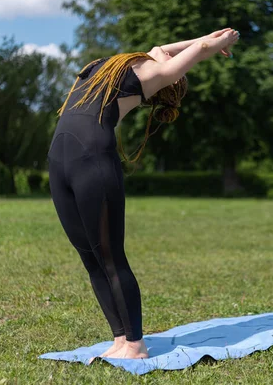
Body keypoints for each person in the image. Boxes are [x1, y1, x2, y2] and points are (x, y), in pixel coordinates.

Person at [47, 28, 240, 360]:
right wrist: (202, 39)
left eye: (172, 59)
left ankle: (136, 344)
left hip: (92, 157)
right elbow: (161, 48)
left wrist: (216, 43)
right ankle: (120, 339)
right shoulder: (126, 66)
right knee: (90, 259)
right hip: (60, 160)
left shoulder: (152, 74)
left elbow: (176, 59)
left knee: (109, 256)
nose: (166, 52)